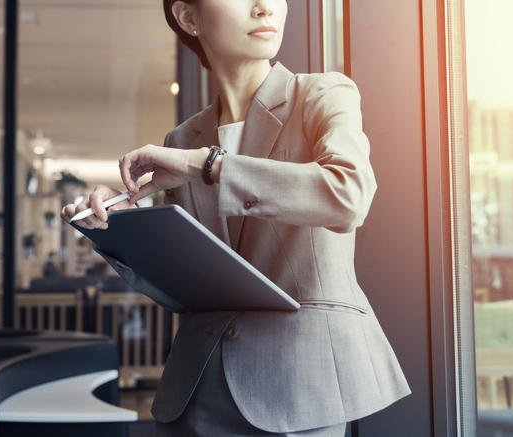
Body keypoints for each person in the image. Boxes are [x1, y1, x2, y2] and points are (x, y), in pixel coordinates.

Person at [61, 0, 410, 435]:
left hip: (300, 388)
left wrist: (208, 164)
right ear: (189, 17)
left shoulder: (321, 94)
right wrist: (119, 224)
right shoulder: (184, 138)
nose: (265, 8)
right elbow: (185, 290)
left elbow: (348, 195)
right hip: (194, 391)